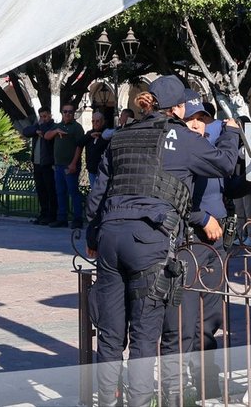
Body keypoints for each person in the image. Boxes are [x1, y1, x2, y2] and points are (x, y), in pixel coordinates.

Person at [85, 76, 242, 407]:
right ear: (179, 107)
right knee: (144, 338)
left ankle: (106, 403)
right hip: (148, 240)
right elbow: (225, 165)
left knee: (111, 337)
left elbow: (97, 192)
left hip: (110, 237)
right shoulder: (182, 138)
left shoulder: (121, 135)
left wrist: (92, 236)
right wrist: (230, 132)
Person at [162, 97, 234, 404]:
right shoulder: (178, 153)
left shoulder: (210, 153)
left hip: (215, 247)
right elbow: (171, 196)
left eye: (203, 119)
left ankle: (208, 386)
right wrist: (201, 218)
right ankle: (179, 392)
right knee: (184, 322)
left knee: (211, 321)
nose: (197, 124)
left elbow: (230, 185)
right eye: (192, 118)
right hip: (189, 243)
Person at [18, 107, 59, 226]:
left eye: (45, 116)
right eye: (41, 116)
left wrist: (39, 128)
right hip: (37, 164)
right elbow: (26, 131)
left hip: (47, 163)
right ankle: (43, 214)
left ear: (50, 116)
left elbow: (47, 132)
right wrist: (36, 130)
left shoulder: (53, 127)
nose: (42, 119)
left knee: (50, 190)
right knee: (41, 190)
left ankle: (52, 215)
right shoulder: (38, 127)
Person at [48, 105, 85, 228]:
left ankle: (77, 219)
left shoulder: (77, 128)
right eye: (65, 112)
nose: (67, 114)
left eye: (70, 112)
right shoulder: (58, 126)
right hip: (58, 165)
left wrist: (73, 164)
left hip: (70, 166)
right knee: (60, 192)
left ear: (74, 113)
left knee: (73, 192)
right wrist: (56, 131)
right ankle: (62, 218)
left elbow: (79, 147)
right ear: (62, 113)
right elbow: (47, 135)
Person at [83, 110, 111, 190]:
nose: (95, 123)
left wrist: (102, 136)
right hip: (92, 169)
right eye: (93, 121)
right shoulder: (89, 133)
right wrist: (90, 136)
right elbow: (79, 142)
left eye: (97, 121)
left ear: (103, 122)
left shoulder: (107, 133)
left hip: (103, 171)